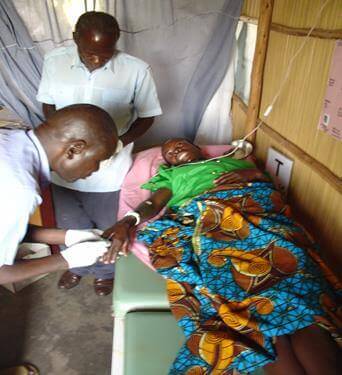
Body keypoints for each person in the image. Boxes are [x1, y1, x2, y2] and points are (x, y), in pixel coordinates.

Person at [101, 138, 340, 374]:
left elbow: (267, 186)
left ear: (198, 148)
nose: (174, 149)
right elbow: (152, 203)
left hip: (256, 211)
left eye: (179, 144)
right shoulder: (172, 176)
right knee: (261, 318)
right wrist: (127, 221)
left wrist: (252, 177)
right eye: (169, 154)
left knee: (300, 298)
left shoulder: (236, 162)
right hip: (211, 220)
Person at [36, 11, 162, 296]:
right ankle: (77, 267)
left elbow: (148, 116)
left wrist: (118, 143)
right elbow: (48, 105)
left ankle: (105, 271)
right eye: (90, 53)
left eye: (105, 54)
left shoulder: (136, 69)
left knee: (107, 223)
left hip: (110, 169)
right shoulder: (54, 62)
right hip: (65, 168)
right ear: (75, 39)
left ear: (116, 43)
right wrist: (58, 142)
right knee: (70, 223)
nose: (97, 60)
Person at [0, 104, 118, 286]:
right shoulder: (20, 190)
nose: (95, 169)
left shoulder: (9, 138)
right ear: (75, 149)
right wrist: (66, 260)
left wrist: (66, 237)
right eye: (98, 160)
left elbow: (7, 226)